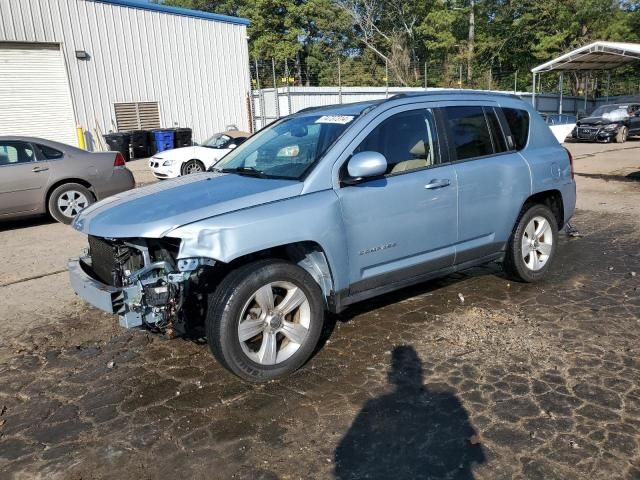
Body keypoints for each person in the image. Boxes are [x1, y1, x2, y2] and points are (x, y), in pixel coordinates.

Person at [334, 346, 485, 479]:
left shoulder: (375, 406)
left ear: (393, 375)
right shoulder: (447, 400)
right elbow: (477, 454)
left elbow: (343, 455)